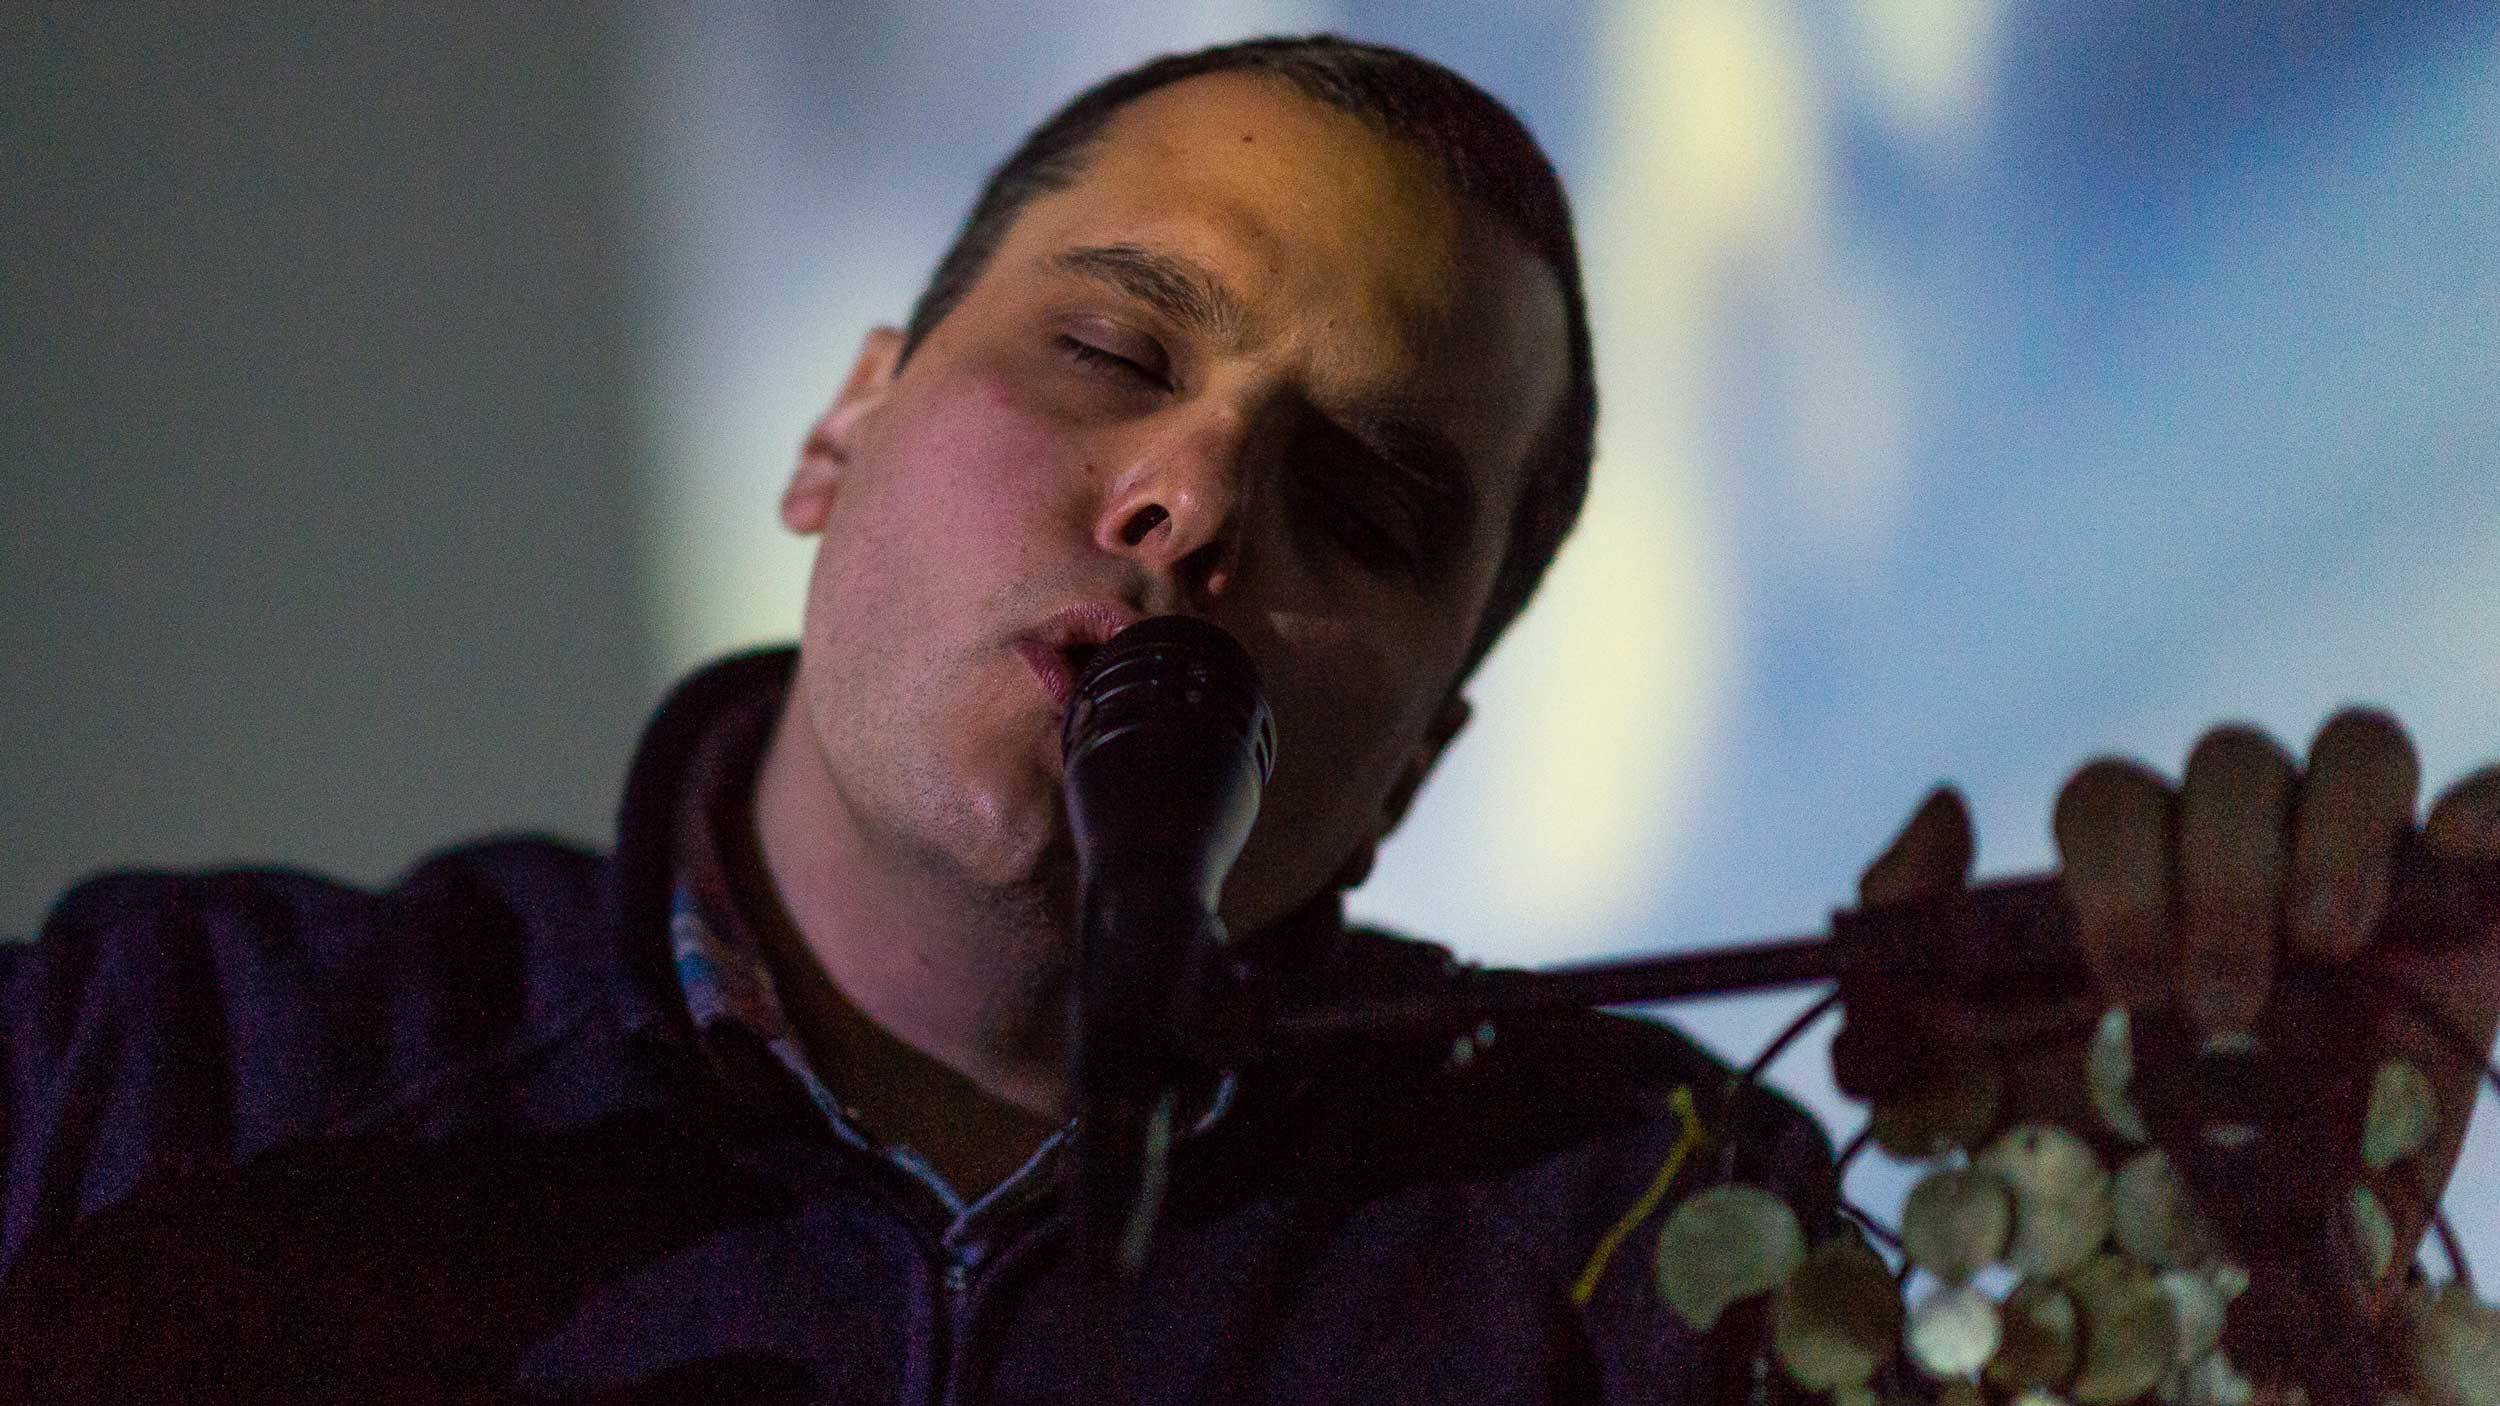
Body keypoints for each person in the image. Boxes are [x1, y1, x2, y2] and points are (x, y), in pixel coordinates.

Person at [3, 33, 2494, 1405]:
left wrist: (2281, 1295)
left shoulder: (1622, 1235)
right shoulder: (155, 1063)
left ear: (1415, 754)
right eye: (1109, 348)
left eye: (1369, 502)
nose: (1193, 496)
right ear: (838, 434)